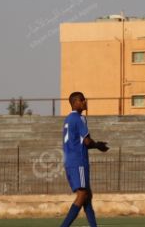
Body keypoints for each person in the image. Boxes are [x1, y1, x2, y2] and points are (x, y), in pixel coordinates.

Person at [60, 92, 109, 227]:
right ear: (75, 102)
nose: (85, 102)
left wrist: (96, 145)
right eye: (82, 100)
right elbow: (87, 142)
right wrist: (98, 145)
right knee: (82, 195)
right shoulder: (79, 118)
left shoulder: (68, 119)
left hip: (70, 160)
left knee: (87, 196)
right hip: (78, 161)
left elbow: (78, 142)